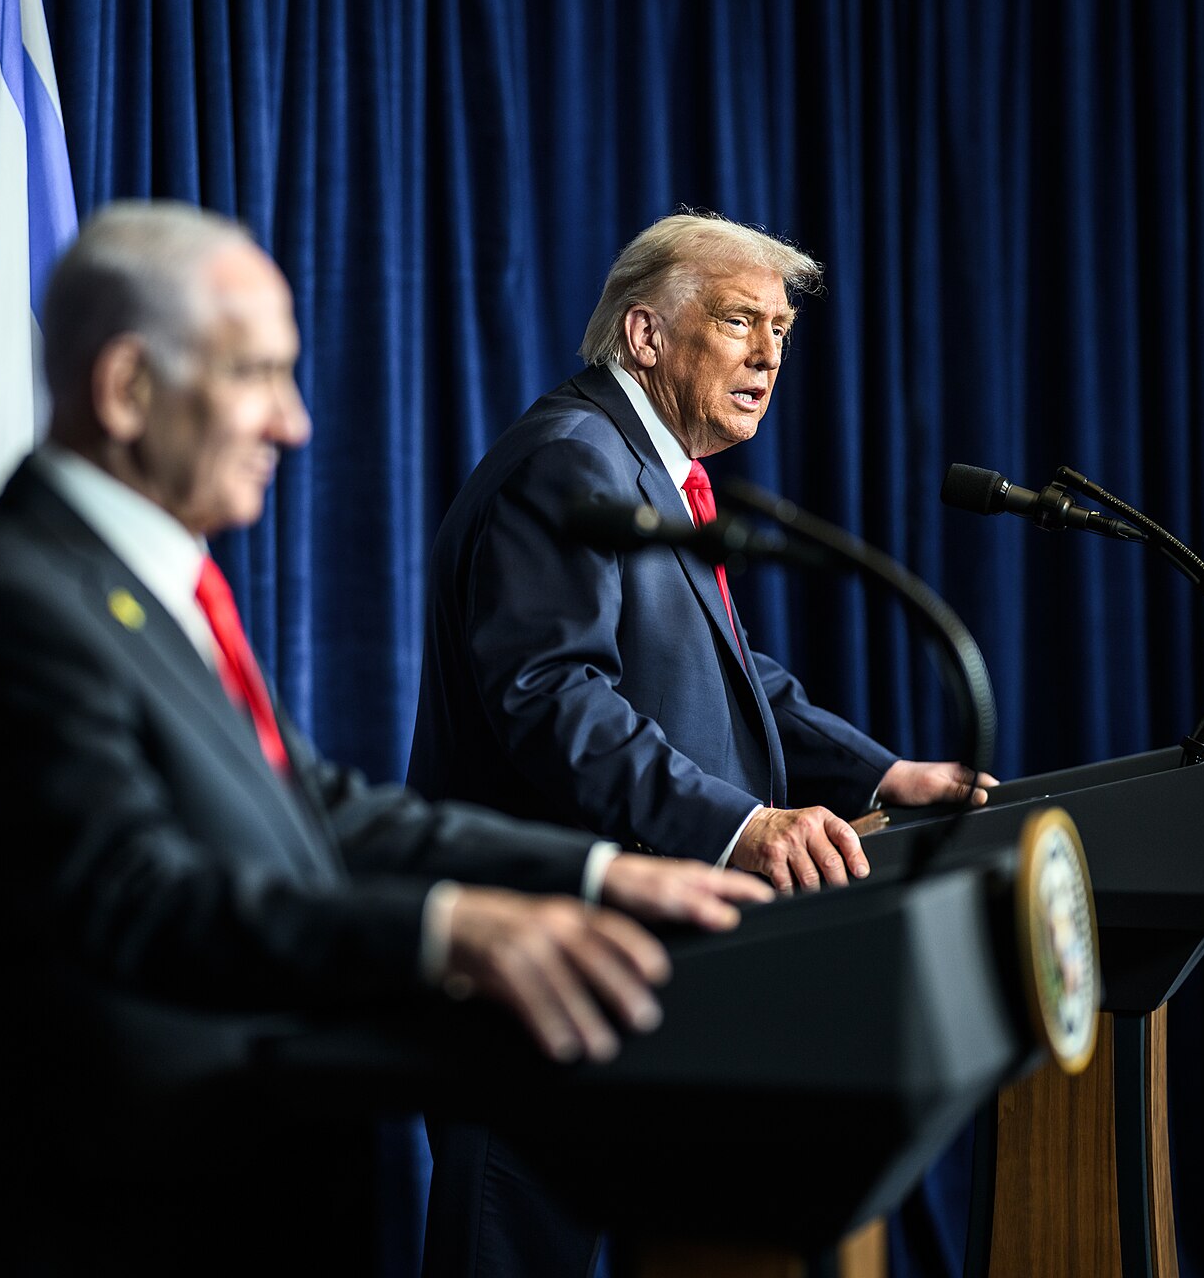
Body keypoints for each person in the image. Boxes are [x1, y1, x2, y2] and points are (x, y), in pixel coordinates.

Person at [0, 201, 776, 1275]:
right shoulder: (15, 607)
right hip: (103, 1221)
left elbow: (324, 809)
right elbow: (139, 896)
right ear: (127, 387)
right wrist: (450, 931)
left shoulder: (146, 586)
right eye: (255, 374)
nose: (293, 422)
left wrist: (594, 874)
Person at [408, 210, 997, 1276]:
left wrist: (880, 771)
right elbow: (551, 694)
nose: (770, 354)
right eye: (738, 321)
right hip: (542, 957)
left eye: (780, 329)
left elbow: (732, 678)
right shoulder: (573, 461)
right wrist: (742, 825)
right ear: (644, 335)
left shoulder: (651, 467)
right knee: (512, 1242)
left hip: (637, 965)